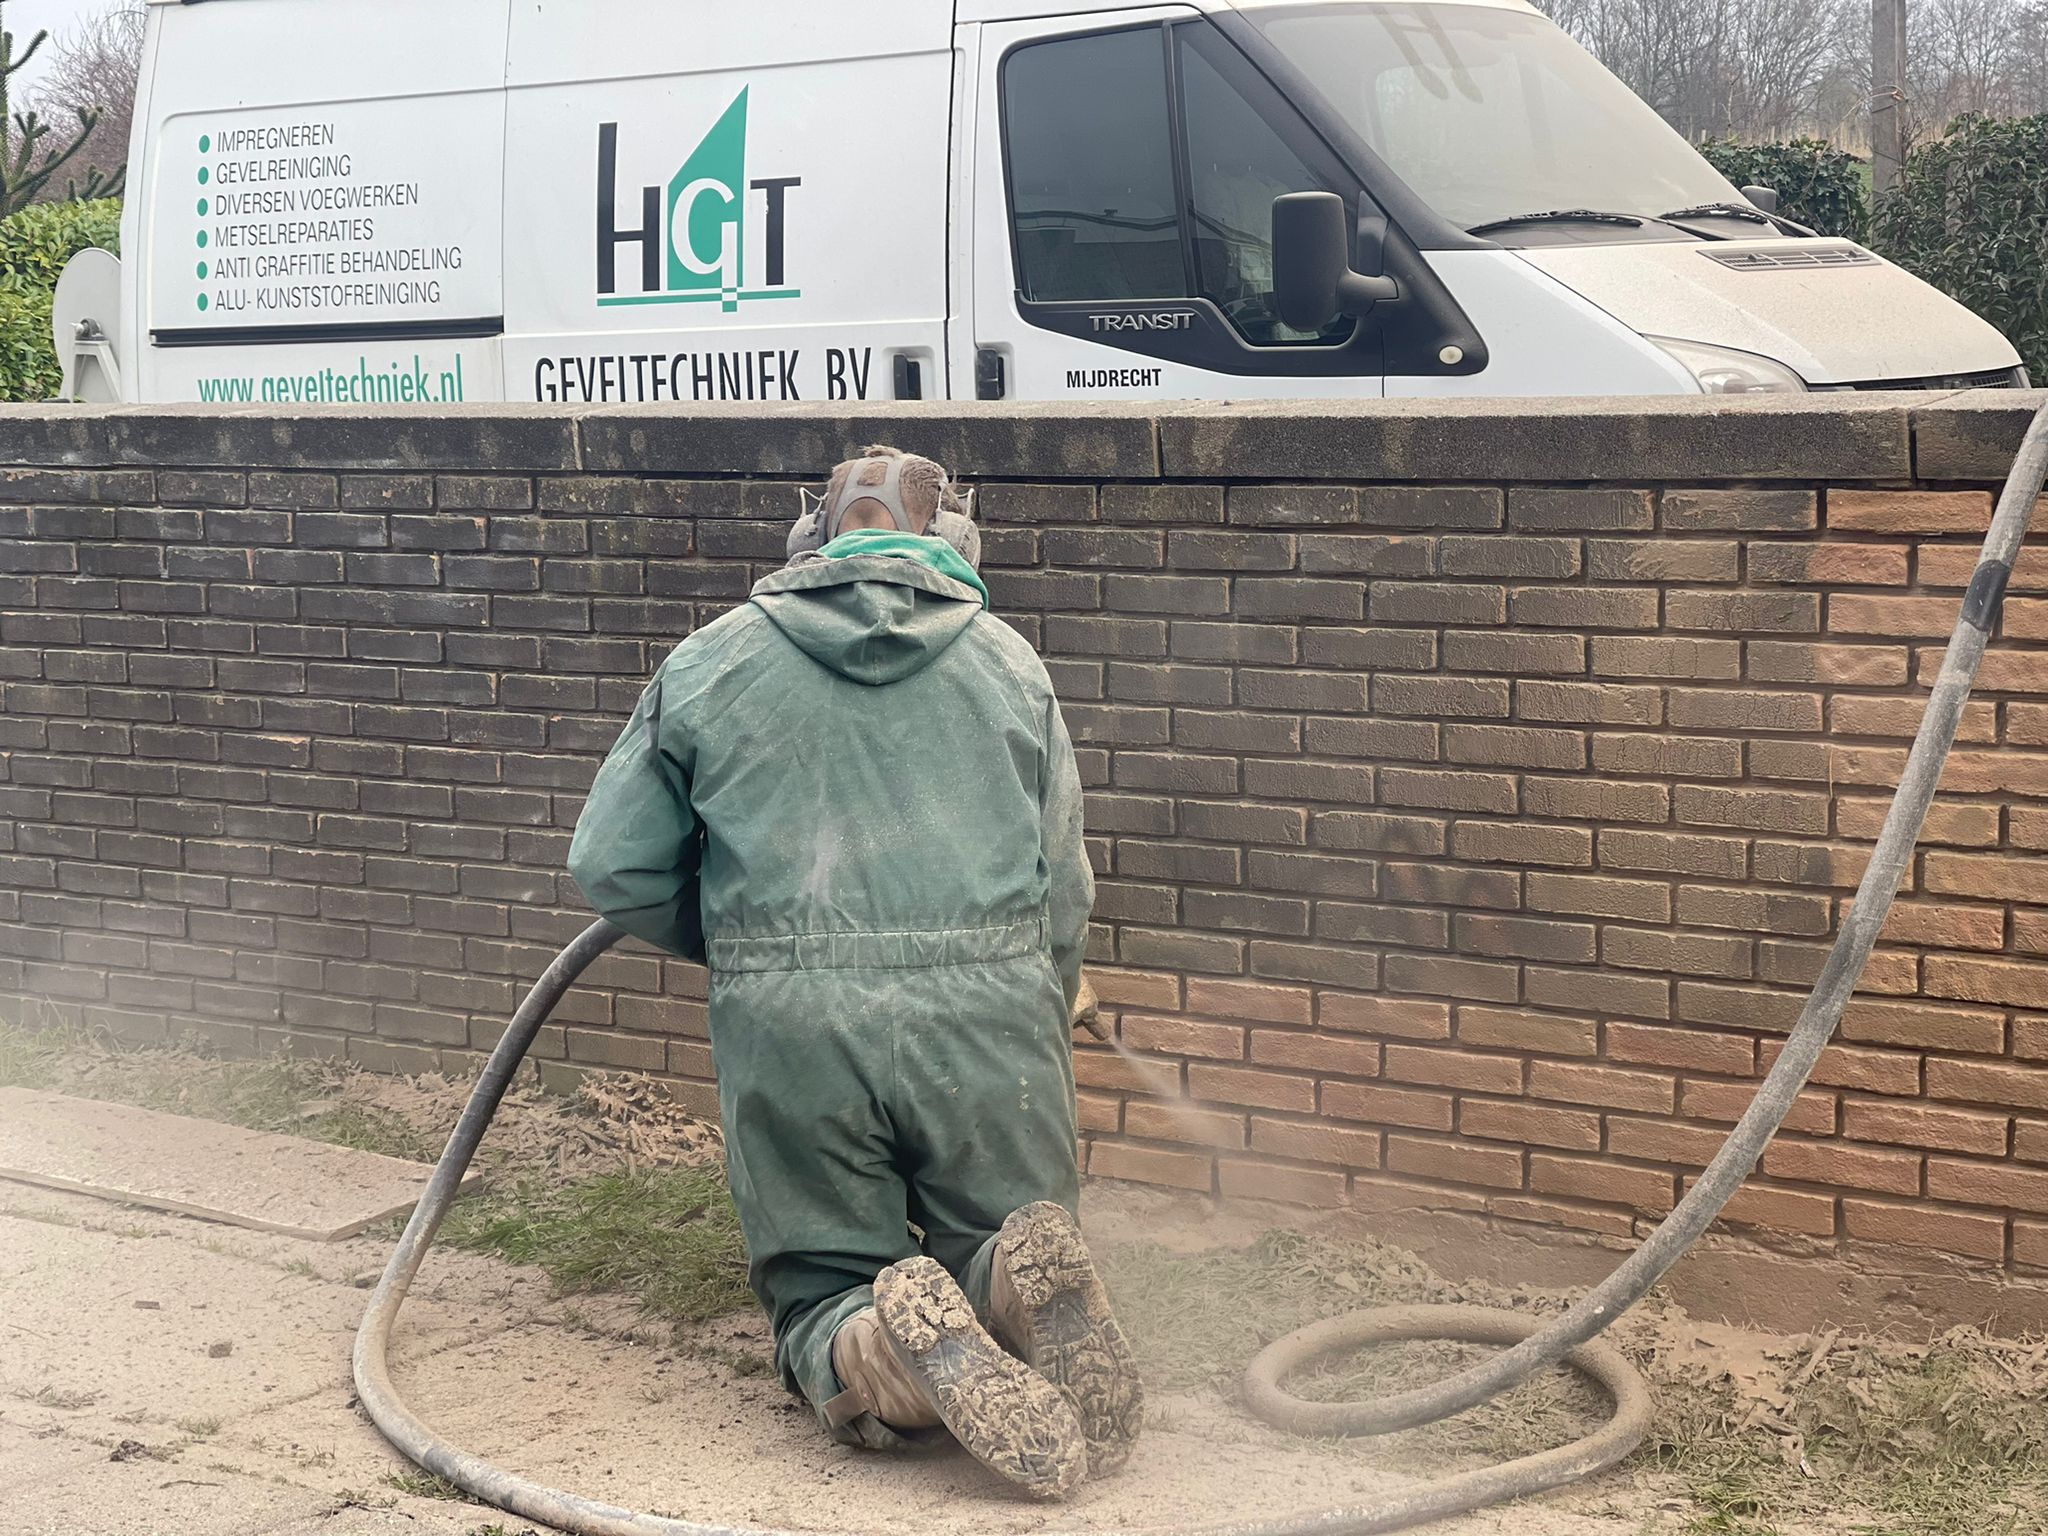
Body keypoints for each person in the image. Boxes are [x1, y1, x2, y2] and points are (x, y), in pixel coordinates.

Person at [568, 445, 1141, 1498]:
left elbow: (610, 865)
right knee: (997, 1220)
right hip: (992, 1013)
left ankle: (875, 1349)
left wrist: (747, 943)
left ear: (809, 542)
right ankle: (1010, 1279)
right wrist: (1047, 980)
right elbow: (1063, 884)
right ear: (954, 541)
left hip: (795, 1023)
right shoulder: (1010, 664)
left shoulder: (710, 662)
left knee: (826, 1273)